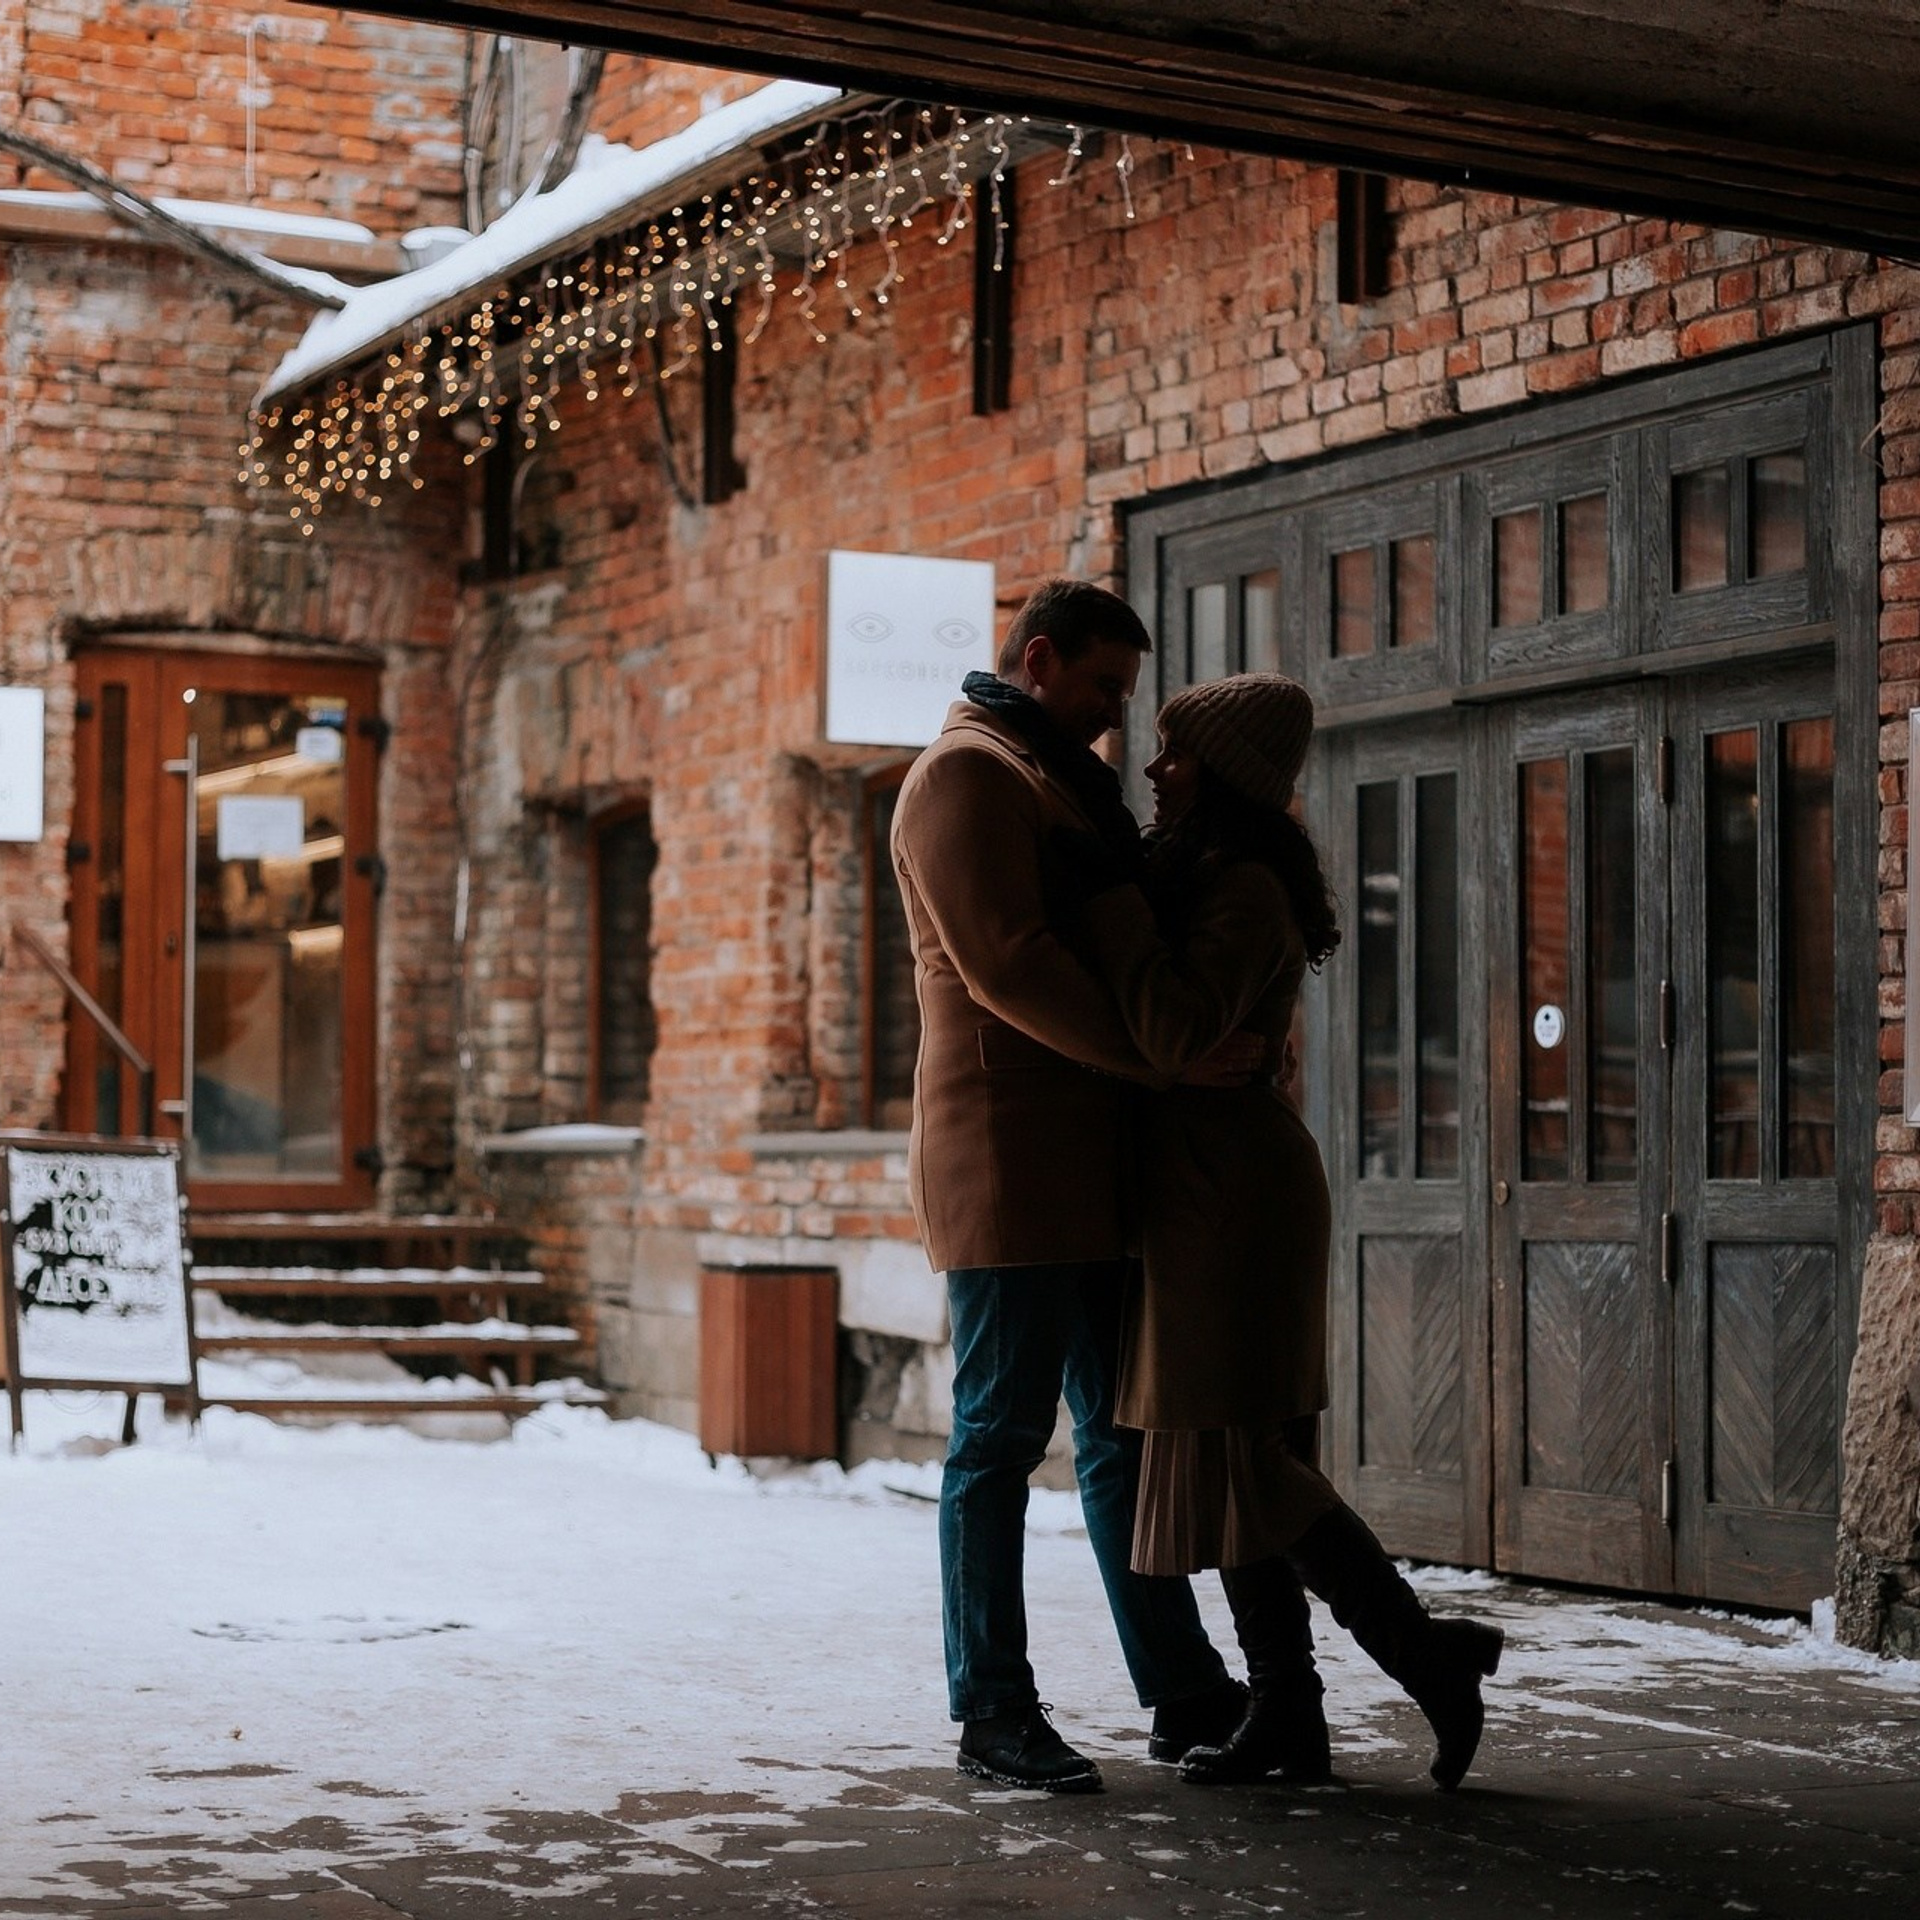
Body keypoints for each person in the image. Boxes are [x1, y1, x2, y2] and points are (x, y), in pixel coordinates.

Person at [1068, 672, 1504, 1792]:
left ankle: (1429, 1660)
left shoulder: (1244, 887)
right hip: (1199, 1193)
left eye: (1176, 753)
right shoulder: (1199, 872)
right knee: (1226, 1459)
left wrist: (1110, 905)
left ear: (1227, 775)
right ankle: (1291, 1716)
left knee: (1248, 1456)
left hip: (1234, 1200)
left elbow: (1168, 1026)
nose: (1155, 769)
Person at [890, 577, 1248, 1794]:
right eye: (1101, 688)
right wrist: (1164, 1051)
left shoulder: (1049, 774)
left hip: (1089, 1159)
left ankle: (1185, 1690)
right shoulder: (965, 774)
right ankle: (992, 1712)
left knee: (1117, 1439)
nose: (1114, 721)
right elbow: (1012, 966)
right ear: (1038, 661)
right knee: (996, 1440)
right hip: (1004, 1158)